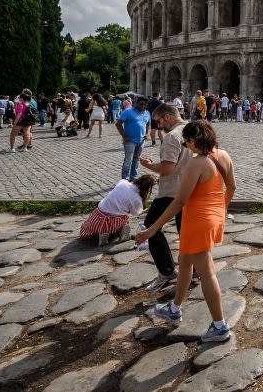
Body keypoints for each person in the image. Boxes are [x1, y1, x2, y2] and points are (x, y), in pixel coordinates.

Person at [135, 120, 235, 343]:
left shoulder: (197, 163)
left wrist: (153, 228)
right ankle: (174, 307)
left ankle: (220, 326)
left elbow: (180, 201)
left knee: (207, 273)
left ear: (192, 140)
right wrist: (221, 209)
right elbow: (232, 187)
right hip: (212, 218)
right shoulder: (224, 155)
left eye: (186, 143)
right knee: (185, 262)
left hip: (197, 220)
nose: (186, 147)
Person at [138, 103, 188, 291]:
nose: (158, 125)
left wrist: (150, 166)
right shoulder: (193, 129)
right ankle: (194, 271)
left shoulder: (171, 137)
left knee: (151, 228)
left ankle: (167, 272)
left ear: (167, 116)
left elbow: (168, 168)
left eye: (159, 121)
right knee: (186, 233)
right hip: (189, 189)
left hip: (171, 192)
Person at [82, 175, 156, 246]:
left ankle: (103, 232)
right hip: (114, 221)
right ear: (148, 189)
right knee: (124, 217)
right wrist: (144, 210)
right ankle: (122, 232)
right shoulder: (137, 198)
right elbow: (135, 213)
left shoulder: (123, 182)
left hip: (97, 217)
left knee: (87, 229)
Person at [116, 97, 151, 181]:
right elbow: (118, 124)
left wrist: (147, 133)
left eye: (145, 104)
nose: (143, 106)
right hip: (130, 140)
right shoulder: (128, 111)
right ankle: (125, 179)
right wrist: (124, 135)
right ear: (136, 103)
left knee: (136, 159)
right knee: (128, 160)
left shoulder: (147, 113)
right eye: (141, 104)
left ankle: (133, 177)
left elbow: (148, 124)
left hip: (141, 140)